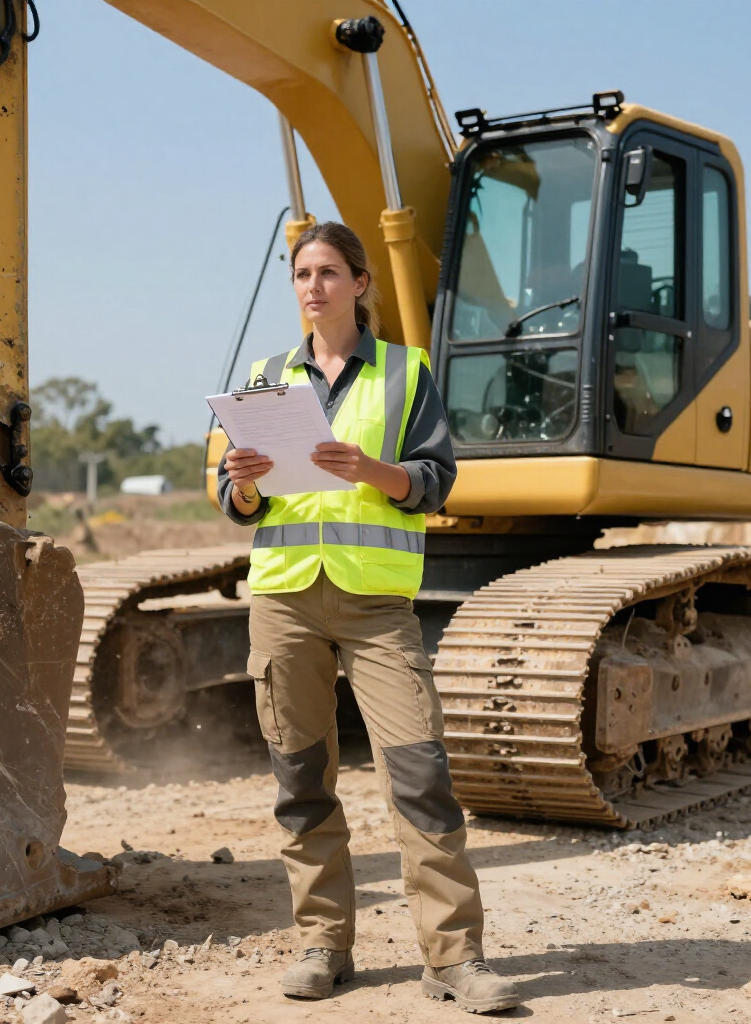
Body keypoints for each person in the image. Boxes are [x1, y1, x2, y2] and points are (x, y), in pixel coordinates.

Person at [218, 221, 520, 1015]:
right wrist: (244, 484)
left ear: (360, 283)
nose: (311, 286)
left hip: (377, 605)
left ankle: (454, 959)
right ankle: (324, 944)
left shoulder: (404, 372)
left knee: (421, 776)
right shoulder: (262, 378)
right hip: (284, 597)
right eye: (299, 273)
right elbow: (235, 503)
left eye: (326, 272)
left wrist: (372, 471)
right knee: (301, 781)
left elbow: (435, 480)